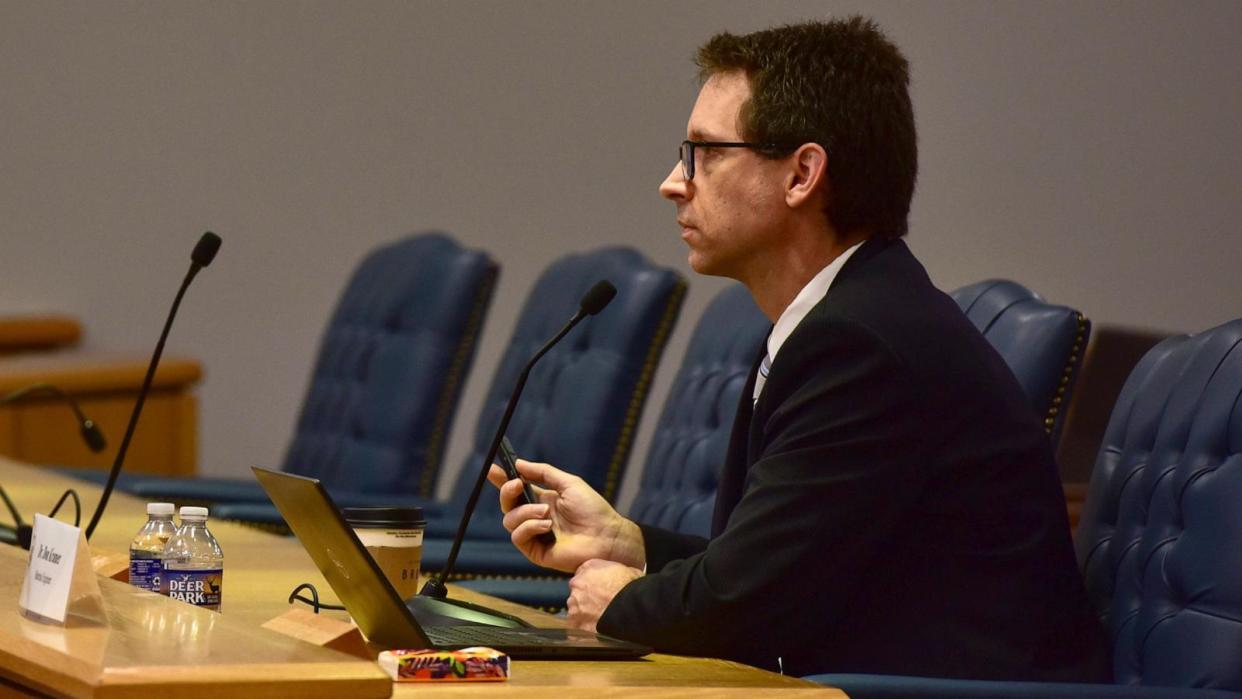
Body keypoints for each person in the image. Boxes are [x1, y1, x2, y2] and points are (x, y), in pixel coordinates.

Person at [489, 17, 1112, 681]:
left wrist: (621, 603)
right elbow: (779, 568)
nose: (674, 181)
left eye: (704, 152)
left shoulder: (864, 344)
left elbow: (746, 604)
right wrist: (631, 543)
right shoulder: (847, 316)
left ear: (801, 175)